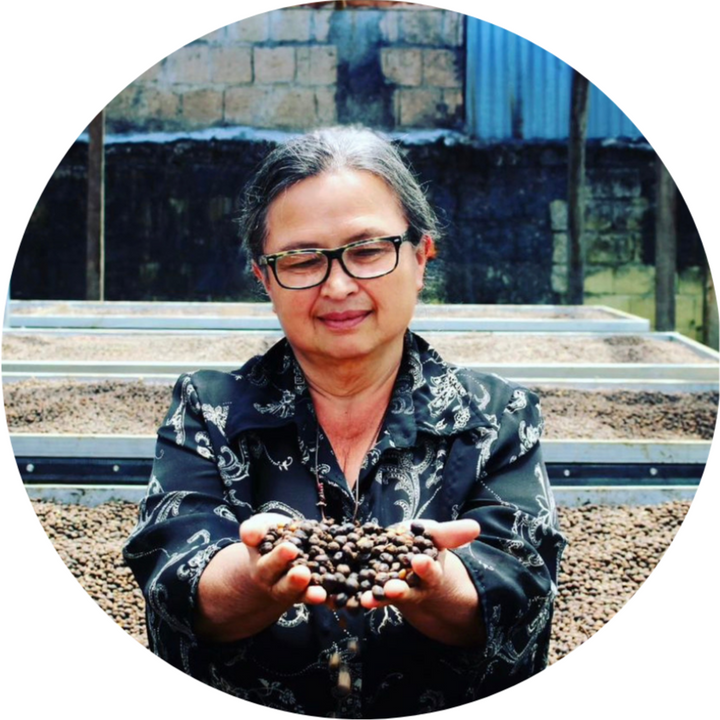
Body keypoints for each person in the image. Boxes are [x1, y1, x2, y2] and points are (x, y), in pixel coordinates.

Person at [123, 126, 567, 718]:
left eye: (367, 251)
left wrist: (437, 582)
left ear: (420, 257)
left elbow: (520, 585)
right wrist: (255, 580)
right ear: (265, 279)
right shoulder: (209, 412)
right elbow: (174, 573)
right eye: (302, 259)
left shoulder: (496, 418)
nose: (337, 285)